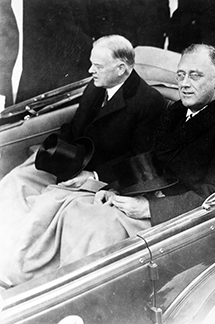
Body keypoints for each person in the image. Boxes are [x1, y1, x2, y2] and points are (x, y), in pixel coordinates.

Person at [0, 35, 166, 286]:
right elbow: (76, 126)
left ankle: (20, 272)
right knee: (15, 180)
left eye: (97, 66)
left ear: (121, 69)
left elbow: (139, 159)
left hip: (105, 177)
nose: (90, 70)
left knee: (49, 201)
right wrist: (55, 150)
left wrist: (96, 177)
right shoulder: (97, 85)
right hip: (75, 162)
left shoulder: (149, 102)